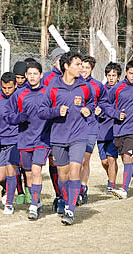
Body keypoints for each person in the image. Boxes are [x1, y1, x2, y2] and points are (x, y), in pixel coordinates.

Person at [39, 51, 94, 225]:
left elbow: (92, 102)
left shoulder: (85, 86)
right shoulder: (53, 87)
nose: (81, 68)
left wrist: (89, 109)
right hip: (58, 136)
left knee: (74, 170)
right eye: (77, 64)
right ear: (66, 66)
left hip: (79, 136)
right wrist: (56, 111)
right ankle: (64, 198)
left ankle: (70, 209)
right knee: (62, 175)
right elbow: (42, 111)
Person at [6, 61, 51, 220]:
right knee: (29, 174)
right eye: (29, 74)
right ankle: (36, 200)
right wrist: (18, 118)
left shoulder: (48, 92)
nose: (32, 77)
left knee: (37, 170)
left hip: (43, 140)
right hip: (24, 139)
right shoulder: (19, 94)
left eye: (35, 74)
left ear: (41, 75)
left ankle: (32, 206)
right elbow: (8, 115)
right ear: (25, 76)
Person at [107, 61, 133, 199]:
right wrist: (117, 114)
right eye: (131, 73)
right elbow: (106, 104)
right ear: (126, 72)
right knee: (125, 158)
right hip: (119, 129)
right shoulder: (117, 88)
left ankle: (124, 189)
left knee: (127, 156)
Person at [78, 56, 108, 205]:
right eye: (82, 67)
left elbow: (104, 102)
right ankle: (74, 188)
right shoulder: (73, 83)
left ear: (92, 69)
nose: (83, 70)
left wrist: (100, 110)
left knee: (85, 159)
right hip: (75, 127)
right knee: (76, 160)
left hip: (91, 126)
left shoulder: (97, 86)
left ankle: (82, 189)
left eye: (87, 68)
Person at [0, 72, 19, 214]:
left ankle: (9, 204)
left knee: (11, 171)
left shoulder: (20, 98)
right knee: (0, 176)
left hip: (15, 140)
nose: (7, 91)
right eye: (4, 88)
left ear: (16, 85)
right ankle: (8, 188)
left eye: (10, 88)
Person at [42, 47, 66, 212]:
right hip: (51, 125)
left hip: (69, 126)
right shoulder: (48, 78)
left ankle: (70, 193)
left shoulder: (71, 77)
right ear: (55, 61)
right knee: (55, 161)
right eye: (60, 59)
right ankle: (59, 195)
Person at [96, 62, 121, 194]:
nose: (111, 78)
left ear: (118, 76)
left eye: (114, 75)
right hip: (100, 129)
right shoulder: (101, 89)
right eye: (109, 75)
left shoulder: (120, 90)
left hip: (114, 128)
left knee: (112, 158)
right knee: (104, 161)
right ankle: (111, 177)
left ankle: (111, 185)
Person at [11, 61, 28, 204]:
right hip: (13, 131)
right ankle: (20, 192)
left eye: (23, 77)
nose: (20, 81)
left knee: (26, 165)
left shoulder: (30, 90)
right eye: (18, 78)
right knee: (15, 164)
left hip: (27, 132)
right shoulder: (11, 90)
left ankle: (28, 189)